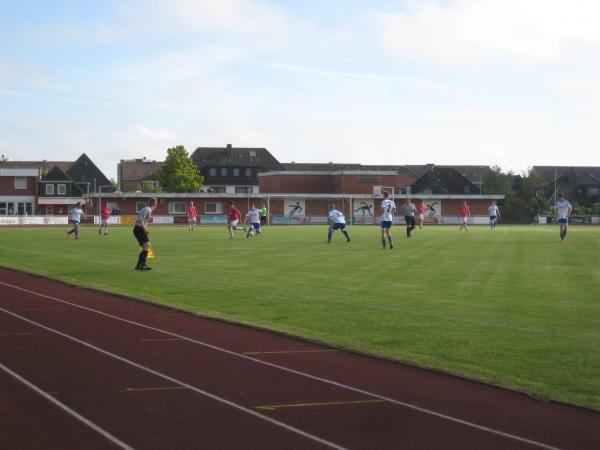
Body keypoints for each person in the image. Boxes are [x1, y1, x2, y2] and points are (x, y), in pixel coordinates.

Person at [133, 198, 157, 271]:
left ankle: (139, 266)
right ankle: (142, 265)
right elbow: (140, 220)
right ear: (155, 204)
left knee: (145, 247)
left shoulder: (147, 209)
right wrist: (145, 230)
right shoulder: (147, 210)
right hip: (139, 229)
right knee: (147, 246)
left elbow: (141, 220)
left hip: (138, 229)